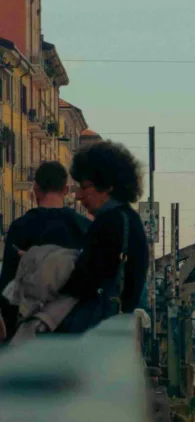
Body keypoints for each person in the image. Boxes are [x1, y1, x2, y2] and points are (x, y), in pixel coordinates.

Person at [58, 142, 149, 332]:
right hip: (118, 325)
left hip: (97, 328)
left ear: (107, 185)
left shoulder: (109, 223)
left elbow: (85, 279)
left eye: (85, 187)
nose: (78, 196)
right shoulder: (129, 220)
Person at [0, 161, 91, 338]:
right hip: (72, 327)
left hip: (29, 325)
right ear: (66, 190)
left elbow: (8, 283)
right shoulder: (84, 227)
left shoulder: (20, 227)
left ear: (35, 189)